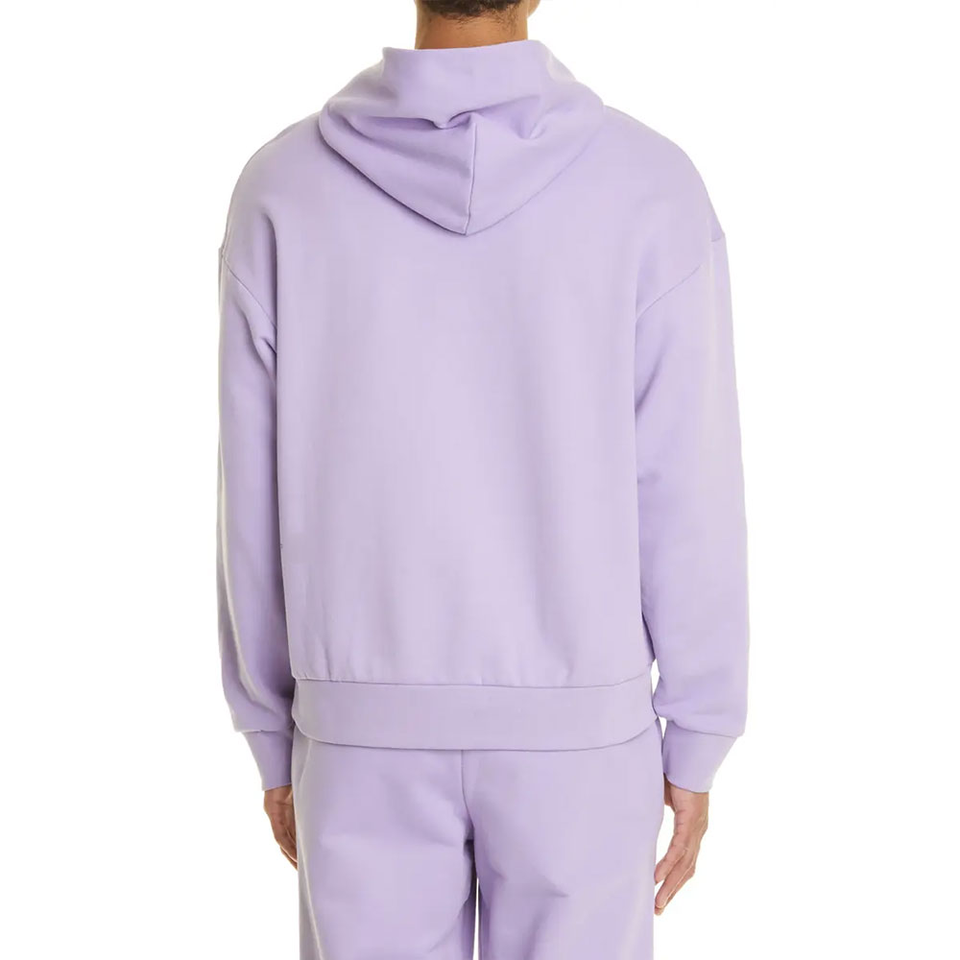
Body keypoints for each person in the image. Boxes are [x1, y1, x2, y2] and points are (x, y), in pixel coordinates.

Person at [216, 0, 748, 956]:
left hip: (360, 729)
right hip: (581, 737)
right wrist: (699, 729)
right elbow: (686, 483)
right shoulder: (649, 187)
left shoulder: (283, 190)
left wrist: (272, 727)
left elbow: (250, 494)